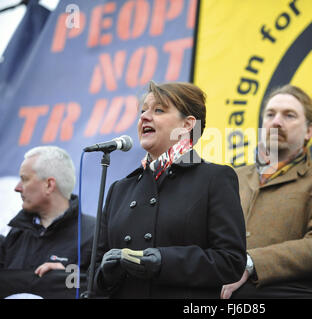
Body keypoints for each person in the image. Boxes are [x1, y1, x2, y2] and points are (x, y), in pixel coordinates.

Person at [93, 81, 247, 298]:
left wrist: (165, 261)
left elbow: (231, 262)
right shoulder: (119, 189)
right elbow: (92, 273)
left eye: (158, 110)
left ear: (188, 125)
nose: (144, 117)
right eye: (143, 110)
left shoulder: (215, 178)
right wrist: (104, 274)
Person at [221, 84, 312, 299]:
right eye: (270, 114)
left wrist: (251, 263)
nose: (276, 122)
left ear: (309, 131)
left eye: (289, 115)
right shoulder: (232, 177)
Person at [0, 146, 95, 296]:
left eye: (24, 179)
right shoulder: (14, 236)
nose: (17, 188)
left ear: (49, 185)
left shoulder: (95, 234)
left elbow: (105, 287)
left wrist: (67, 279)